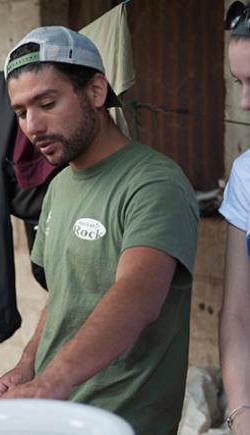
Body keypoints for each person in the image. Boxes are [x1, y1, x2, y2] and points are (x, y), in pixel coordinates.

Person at [0, 26, 199, 434]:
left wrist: (53, 382)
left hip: (122, 419)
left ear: (96, 91)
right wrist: (29, 364)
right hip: (58, 414)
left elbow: (138, 296)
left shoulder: (154, 182)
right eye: (20, 112)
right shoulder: (60, 187)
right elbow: (64, 296)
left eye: (46, 102)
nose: (32, 126)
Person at [220, 2, 250, 433]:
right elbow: (238, 313)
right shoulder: (246, 175)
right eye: (240, 83)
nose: (245, 103)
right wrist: (242, 413)